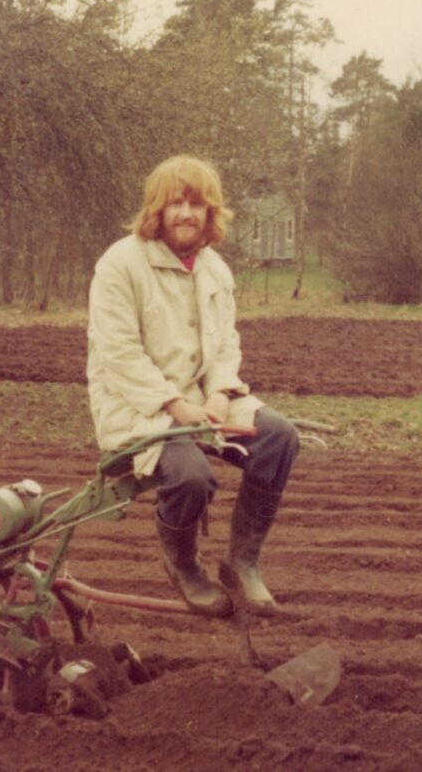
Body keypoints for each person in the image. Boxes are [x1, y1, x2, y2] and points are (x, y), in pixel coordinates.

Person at [86, 154, 299, 618]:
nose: (186, 213)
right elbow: (118, 353)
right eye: (175, 203)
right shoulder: (120, 265)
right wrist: (175, 406)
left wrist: (222, 392)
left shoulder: (215, 268)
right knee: (191, 477)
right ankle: (185, 569)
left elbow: (226, 343)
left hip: (204, 401)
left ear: (210, 212)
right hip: (138, 407)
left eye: (196, 204)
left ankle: (241, 561)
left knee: (280, 436)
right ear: (156, 210)